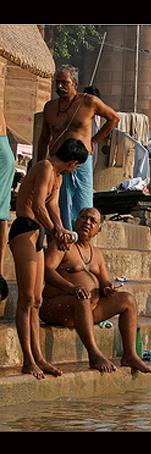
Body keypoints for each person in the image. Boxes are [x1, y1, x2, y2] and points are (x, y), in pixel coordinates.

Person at [10, 138, 89, 379]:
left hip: (39, 232)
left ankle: (39, 357)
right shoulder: (45, 167)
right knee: (27, 299)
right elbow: (37, 205)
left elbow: (53, 208)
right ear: (73, 162)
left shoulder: (59, 176)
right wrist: (56, 231)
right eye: (77, 165)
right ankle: (28, 359)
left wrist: (62, 231)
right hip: (25, 229)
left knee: (37, 300)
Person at [41, 207, 151, 374]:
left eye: (93, 221)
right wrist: (71, 288)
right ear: (76, 221)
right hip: (56, 306)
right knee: (82, 296)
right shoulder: (63, 244)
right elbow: (46, 270)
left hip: (87, 310)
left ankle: (130, 354)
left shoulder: (97, 254)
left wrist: (108, 288)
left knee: (127, 300)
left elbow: (104, 281)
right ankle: (94, 354)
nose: (87, 222)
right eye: (84, 217)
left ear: (99, 229)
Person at [37, 66, 120, 230]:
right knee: (55, 204)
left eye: (64, 82)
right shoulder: (50, 108)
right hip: (56, 164)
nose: (59, 86)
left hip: (80, 163)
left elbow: (114, 119)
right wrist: (39, 166)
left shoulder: (89, 102)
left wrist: (94, 141)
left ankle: (80, 246)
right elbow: (44, 139)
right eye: (57, 82)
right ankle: (59, 240)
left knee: (83, 206)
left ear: (74, 83)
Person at [0, 102, 15, 301]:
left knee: (1, 215)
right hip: (4, 155)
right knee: (1, 216)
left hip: (2, 157)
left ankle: (0, 269)